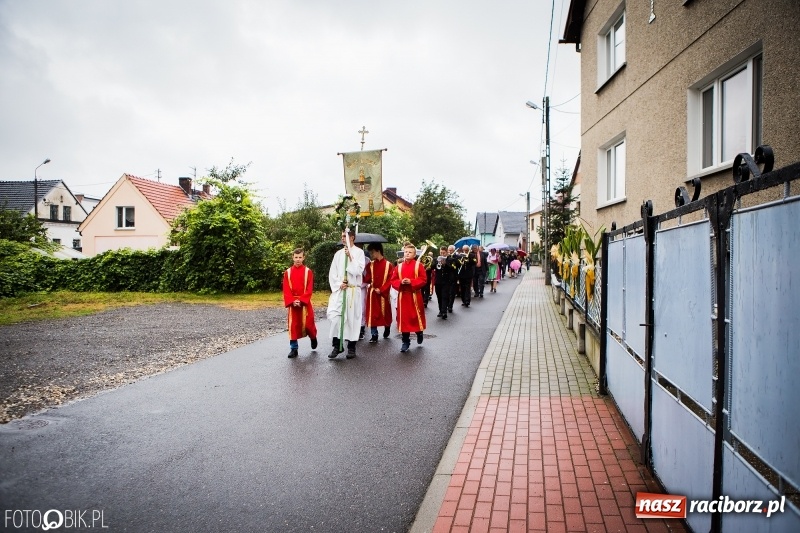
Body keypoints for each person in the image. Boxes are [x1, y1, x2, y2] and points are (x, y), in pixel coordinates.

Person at [327, 229, 366, 359]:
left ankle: (351, 347)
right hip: (340, 290)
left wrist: (350, 257)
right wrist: (339, 284)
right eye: (342, 236)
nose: (342, 238)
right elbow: (333, 273)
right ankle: (337, 345)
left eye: (345, 236)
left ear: (352, 238)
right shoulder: (338, 254)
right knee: (335, 317)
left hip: (353, 291)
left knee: (352, 319)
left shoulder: (359, 253)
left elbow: (358, 270)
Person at [390, 242, 428, 353]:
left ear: (414, 254)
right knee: (404, 320)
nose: (407, 254)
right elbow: (393, 280)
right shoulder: (399, 266)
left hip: (415, 295)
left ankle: (419, 332)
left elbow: (423, 279)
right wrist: (401, 282)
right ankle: (405, 341)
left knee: (415, 317)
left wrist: (411, 282)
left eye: (410, 252)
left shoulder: (418, 266)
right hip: (403, 296)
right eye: (406, 252)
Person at [282, 247, 318, 358]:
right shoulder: (288, 273)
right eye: (296, 257)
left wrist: (302, 300)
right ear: (293, 257)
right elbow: (286, 289)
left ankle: (313, 337)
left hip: (305, 303)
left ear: (303, 258)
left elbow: (309, 288)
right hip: (293, 304)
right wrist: (292, 301)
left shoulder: (308, 272)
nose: (298, 259)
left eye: (300, 257)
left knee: (308, 324)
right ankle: (294, 348)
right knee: (293, 326)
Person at [363, 242, 394, 343]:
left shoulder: (388, 265)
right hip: (372, 293)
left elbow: (390, 280)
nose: (371, 255)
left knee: (385, 313)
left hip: (383, 293)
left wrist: (382, 289)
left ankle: (387, 327)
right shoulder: (370, 265)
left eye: (372, 252)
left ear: (378, 251)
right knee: (372, 314)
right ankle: (374, 334)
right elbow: (367, 278)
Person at [433, 245, 456, 319]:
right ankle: (440, 310)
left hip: (446, 281)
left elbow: (453, 268)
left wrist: (445, 264)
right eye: (441, 253)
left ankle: (444, 312)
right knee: (439, 296)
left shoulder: (450, 259)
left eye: (444, 253)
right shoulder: (436, 259)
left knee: (445, 296)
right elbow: (432, 266)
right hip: (438, 281)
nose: (442, 254)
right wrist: (437, 263)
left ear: (447, 253)